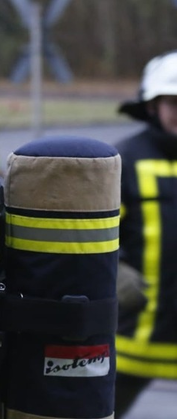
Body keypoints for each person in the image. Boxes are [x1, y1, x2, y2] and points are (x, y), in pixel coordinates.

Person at [114, 49, 177, 417]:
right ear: (152, 106)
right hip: (132, 342)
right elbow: (90, 240)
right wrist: (112, 270)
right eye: (174, 103)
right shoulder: (123, 162)